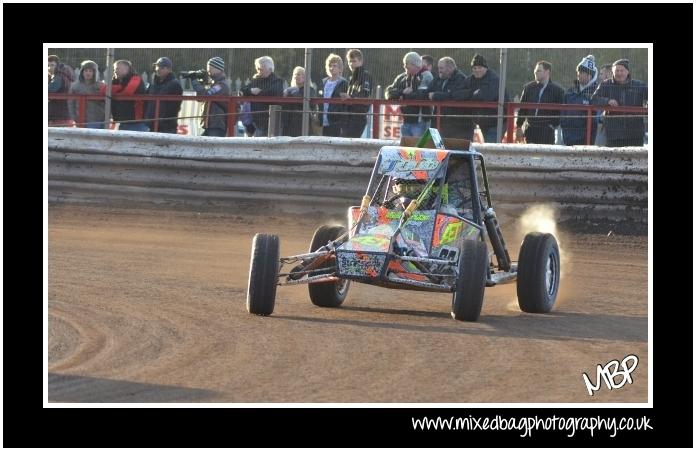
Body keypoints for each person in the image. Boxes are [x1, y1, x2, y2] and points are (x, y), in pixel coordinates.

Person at [591, 59, 647, 147]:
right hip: (613, 134)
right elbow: (594, 100)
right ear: (612, 72)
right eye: (616, 70)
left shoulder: (639, 85)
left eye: (622, 70)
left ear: (628, 72)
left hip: (635, 133)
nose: (619, 73)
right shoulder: (605, 85)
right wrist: (607, 101)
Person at [515, 60, 565, 144]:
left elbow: (561, 111)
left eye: (538, 70)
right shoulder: (528, 88)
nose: (535, 72)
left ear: (547, 72)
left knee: (545, 156)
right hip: (530, 130)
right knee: (529, 156)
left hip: (547, 132)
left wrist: (552, 125)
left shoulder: (558, 91)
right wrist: (519, 127)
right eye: (535, 70)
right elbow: (522, 109)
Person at [385, 52, 433, 137]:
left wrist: (401, 96)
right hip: (405, 120)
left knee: (418, 149)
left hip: (420, 122)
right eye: (404, 64)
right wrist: (402, 92)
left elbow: (421, 96)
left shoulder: (426, 76)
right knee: (406, 149)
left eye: (407, 64)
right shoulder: (402, 77)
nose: (404, 66)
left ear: (415, 64)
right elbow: (388, 92)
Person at [426, 57, 473, 140]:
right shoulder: (438, 78)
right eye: (438, 68)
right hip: (440, 123)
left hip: (456, 127)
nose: (439, 70)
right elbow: (427, 92)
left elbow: (455, 95)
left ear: (450, 68)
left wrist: (436, 95)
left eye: (441, 68)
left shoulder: (460, 79)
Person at [469, 53, 509, 143]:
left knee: (492, 146)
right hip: (484, 121)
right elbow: (461, 92)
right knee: (488, 146)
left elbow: (487, 96)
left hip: (498, 121)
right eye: (474, 68)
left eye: (480, 67)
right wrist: (474, 93)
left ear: (485, 68)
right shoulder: (472, 79)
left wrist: (472, 95)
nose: (477, 70)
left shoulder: (494, 79)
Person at [240, 56, 285, 137]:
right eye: (257, 68)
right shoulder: (256, 80)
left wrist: (257, 93)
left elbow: (273, 93)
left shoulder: (277, 81)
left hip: (268, 121)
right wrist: (251, 91)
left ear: (270, 69)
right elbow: (242, 90)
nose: (258, 71)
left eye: (260, 69)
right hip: (254, 122)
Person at [560, 55, 599, 145]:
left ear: (589, 75)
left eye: (581, 72)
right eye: (578, 71)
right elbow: (563, 113)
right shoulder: (570, 92)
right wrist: (565, 129)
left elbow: (594, 121)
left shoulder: (596, 93)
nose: (578, 74)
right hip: (568, 138)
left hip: (586, 140)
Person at [191, 56, 230, 137]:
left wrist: (194, 81)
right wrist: (201, 82)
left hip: (217, 125)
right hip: (209, 124)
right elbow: (200, 98)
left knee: (213, 149)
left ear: (218, 69)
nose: (208, 70)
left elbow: (206, 95)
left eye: (210, 68)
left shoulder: (222, 85)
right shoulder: (213, 83)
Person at [107, 59, 148, 132]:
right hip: (123, 120)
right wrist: (118, 89)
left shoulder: (136, 79)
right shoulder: (116, 81)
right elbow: (107, 91)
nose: (115, 71)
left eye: (117, 68)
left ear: (126, 69)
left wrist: (116, 90)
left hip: (136, 121)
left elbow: (127, 93)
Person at [145, 57, 183, 134]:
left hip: (166, 128)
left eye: (162, 67)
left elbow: (174, 107)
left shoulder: (175, 85)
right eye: (157, 66)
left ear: (169, 69)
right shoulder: (153, 84)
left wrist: (162, 121)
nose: (158, 69)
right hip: (152, 125)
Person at [341, 49, 373, 138]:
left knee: (350, 144)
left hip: (358, 116)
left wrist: (350, 97)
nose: (351, 64)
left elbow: (364, 94)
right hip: (349, 116)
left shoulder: (365, 75)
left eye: (354, 61)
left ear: (361, 61)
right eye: (349, 61)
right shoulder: (352, 77)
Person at [68, 60, 105, 129]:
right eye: (86, 71)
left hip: (97, 120)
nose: (88, 73)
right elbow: (71, 103)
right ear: (82, 72)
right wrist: (74, 117)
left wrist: (104, 117)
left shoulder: (101, 86)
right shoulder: (75, 86)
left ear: (95, 73)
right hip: (80, 120)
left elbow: (106, 103)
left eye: (90, 71)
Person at [282, 66, 317, 137]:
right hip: (288, 123)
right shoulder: (288, 90)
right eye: (294, 74)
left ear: (305, 77)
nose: (296, 76)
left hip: (303, 123)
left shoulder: (310, 90)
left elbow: (311, 105)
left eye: (298, 74)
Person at [319, 53, 348, 137]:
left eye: (335, 66)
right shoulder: (323, 81)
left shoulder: (344, 83)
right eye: (330, 65)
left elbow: (344, 103)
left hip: (336, 121)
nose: (332, 68)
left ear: (340, 68)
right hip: (322, 121)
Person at [48, 55, 75, 127]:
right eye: (48, 65)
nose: (50, 68)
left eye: (52, 65)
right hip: (65, 114)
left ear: (57, 65)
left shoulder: (58, 77)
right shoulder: (64, 74)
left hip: (58, 115)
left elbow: (50, 89)